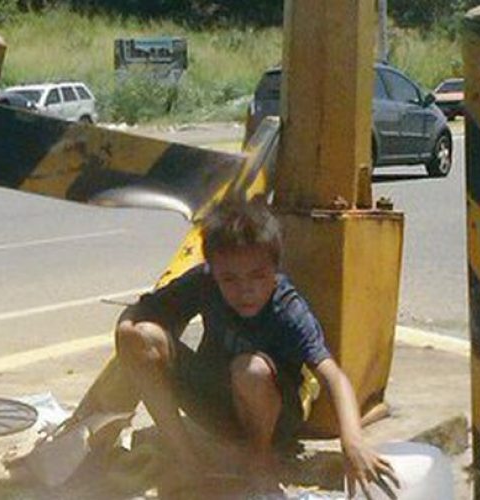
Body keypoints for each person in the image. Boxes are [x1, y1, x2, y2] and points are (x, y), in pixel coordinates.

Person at [108, 202, 398, 497]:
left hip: (273, 417)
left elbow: (333, 376)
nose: (245, 289)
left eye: (257, 276)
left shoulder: (287, 308)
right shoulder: (203, 282)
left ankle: (260, 461)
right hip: (215, 404)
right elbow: (139, 312)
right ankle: (187, 459)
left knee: (250, 369)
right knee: (137, 335)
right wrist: (126, 332)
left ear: (274, 271)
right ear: (214, 271)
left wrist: (352, 442)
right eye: (230, 279)